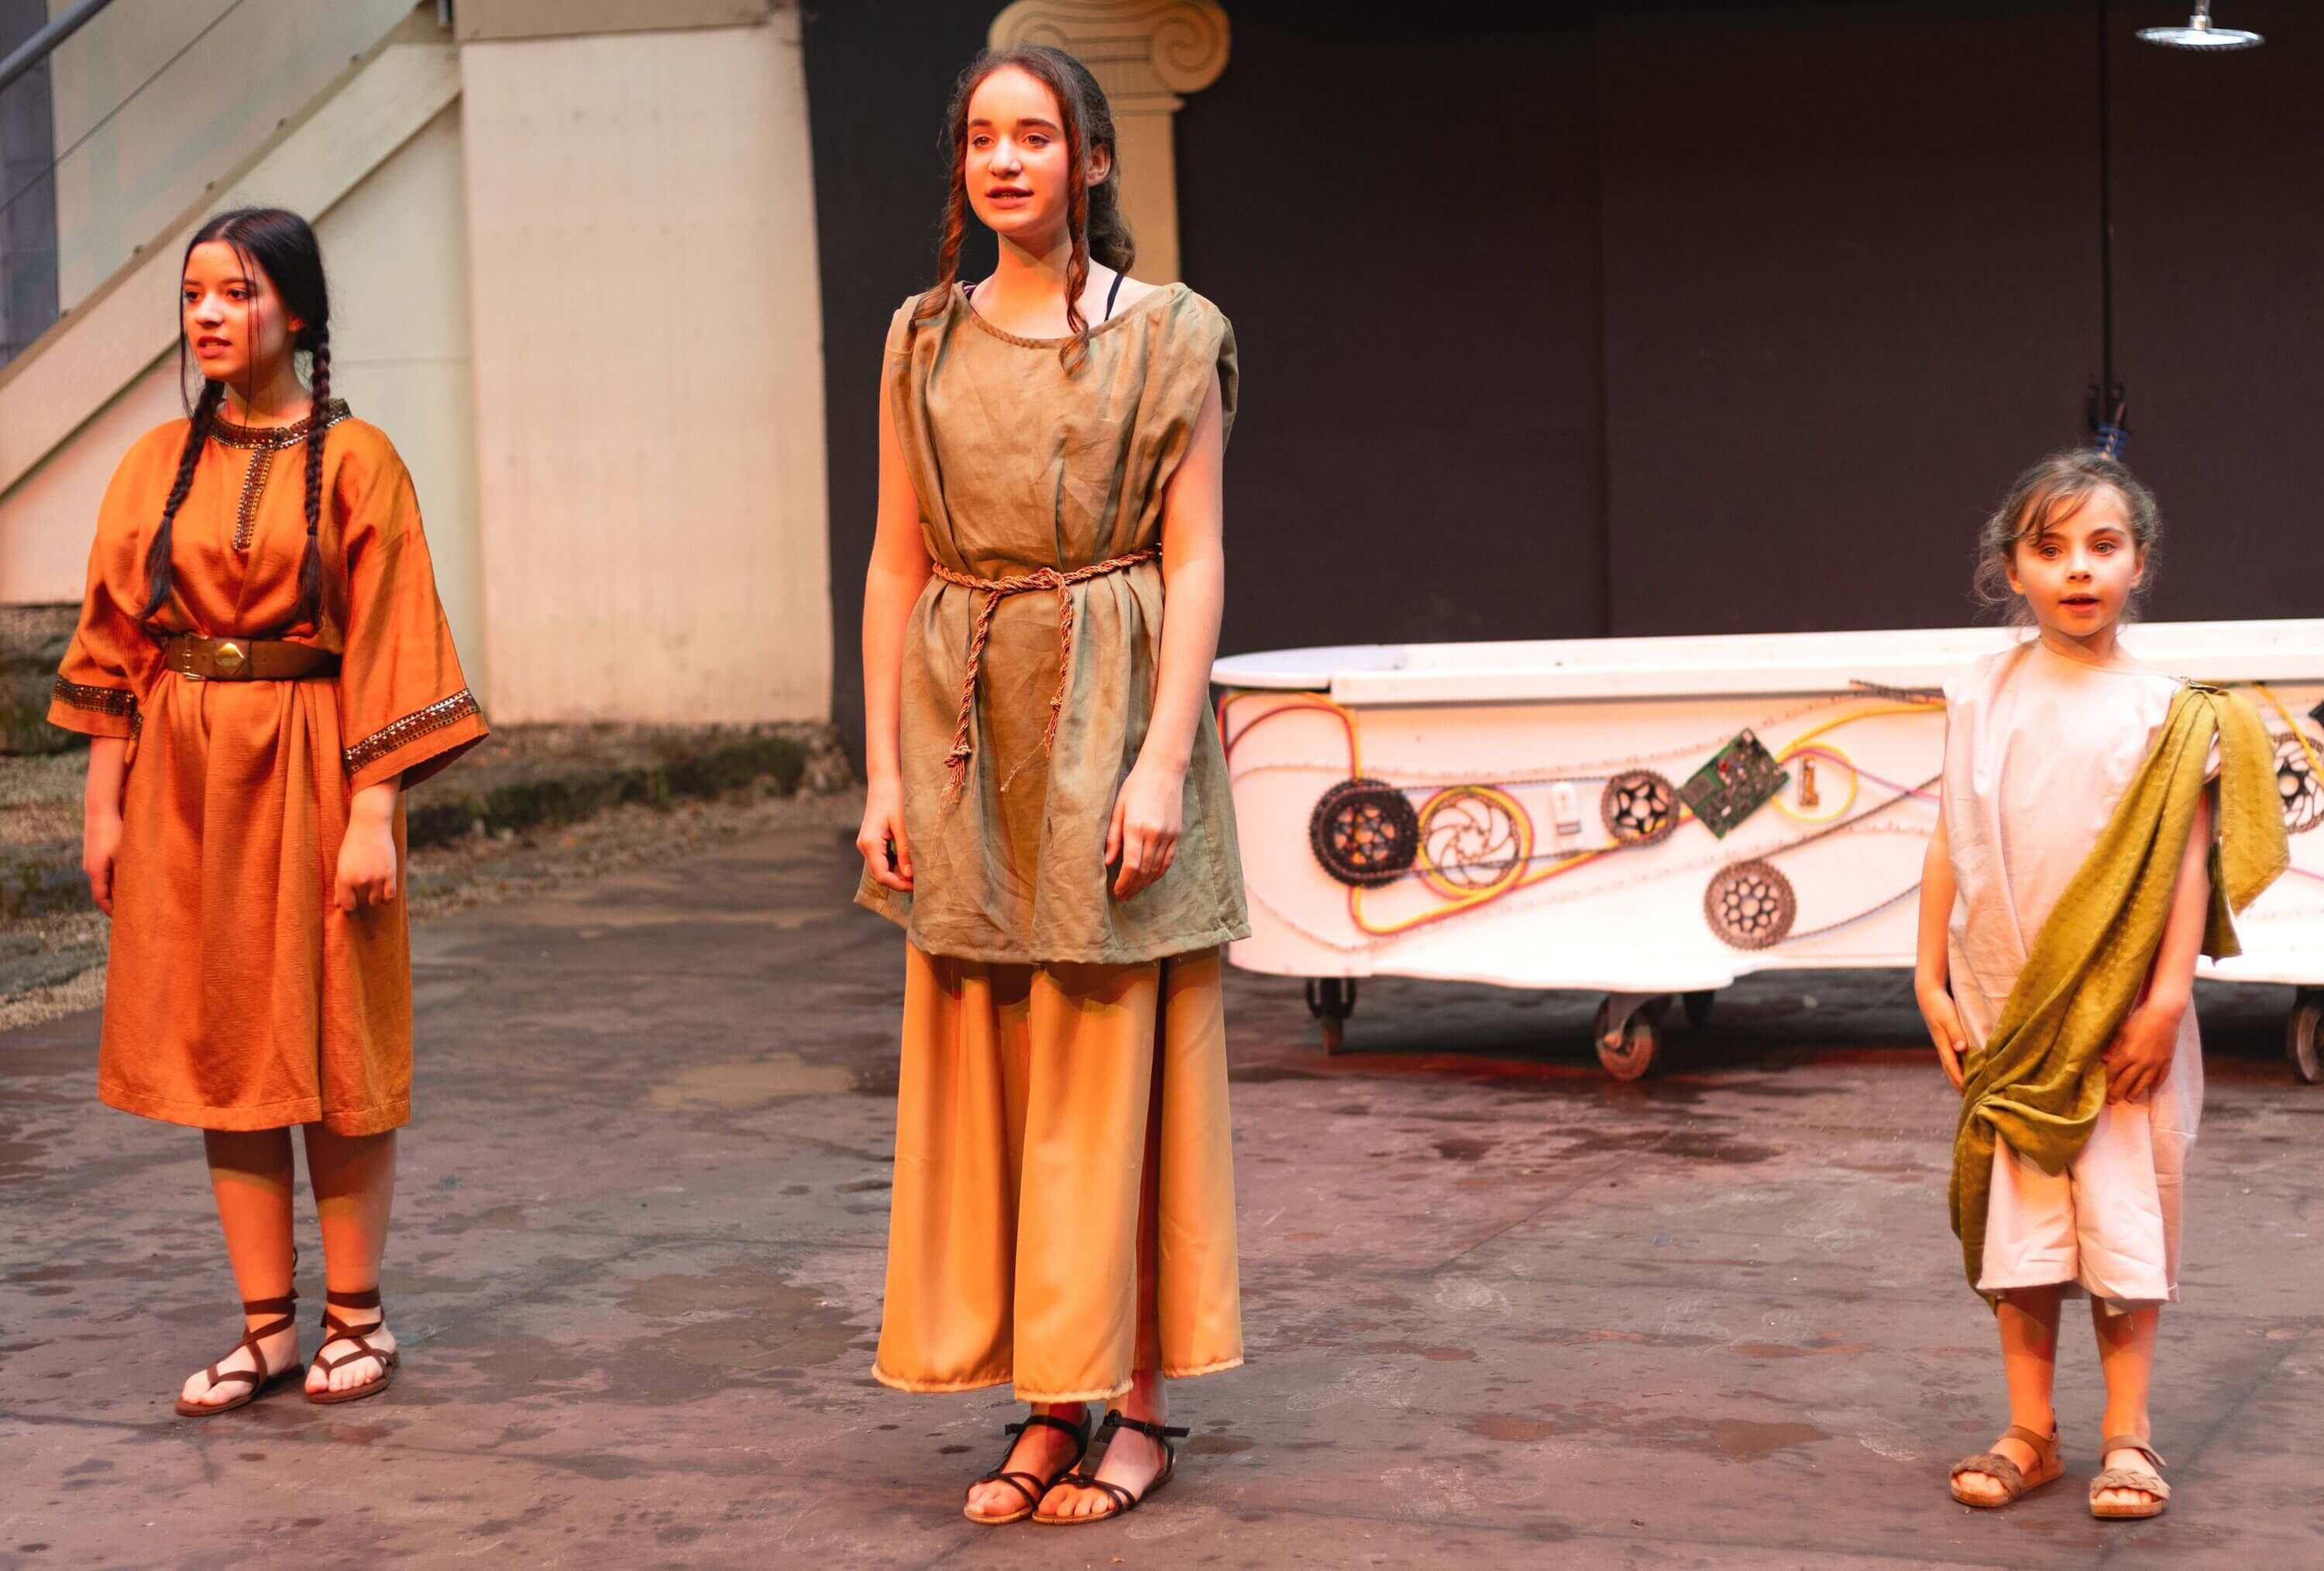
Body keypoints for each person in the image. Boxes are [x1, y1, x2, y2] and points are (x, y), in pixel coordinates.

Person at [852, 45, 1246, 1527]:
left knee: (1112, 1066)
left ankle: (1134, 1409)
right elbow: (894, 562)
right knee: (1001, 1072)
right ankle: (1044, 1401)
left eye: (1034, 136)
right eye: (981, 137)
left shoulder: (1172, 333)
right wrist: (882, 772)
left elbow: (1195, 558)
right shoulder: (921, 340)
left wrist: (1162, 761)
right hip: (966, 726)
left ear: (1091, 159)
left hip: (1112, 709)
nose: (1005, 160)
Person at [49, 208, 485, 1414]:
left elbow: (392, 635)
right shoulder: (152, 465)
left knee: (335, 1038)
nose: (208, 315)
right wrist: (103, 807)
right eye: (194, 294)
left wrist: (374, 809)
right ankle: (267, 1328)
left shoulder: (357, 460)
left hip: (315, 761)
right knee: (224, 1039)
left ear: (295, 312)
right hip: (184, 775)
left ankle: (357, 1317)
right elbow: (114, 645)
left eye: (236, 294)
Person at [1916, 451, 2284, 1518]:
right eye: (2051, 548)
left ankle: (2131, 1436)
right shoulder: (1978, 692)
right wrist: (1927, 976)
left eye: (2102, 545)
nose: (2077, 568)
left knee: (2124, 1219)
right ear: (2013, 570)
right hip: (2005, 1001)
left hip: (2124, 1018)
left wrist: (2166, 1002)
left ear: (2140, 563)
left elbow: (2187, 869)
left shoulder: (2172, 714)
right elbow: (1947, 835)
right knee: (2022, 1223)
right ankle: (2030, 1432)